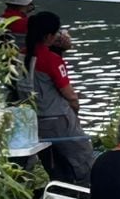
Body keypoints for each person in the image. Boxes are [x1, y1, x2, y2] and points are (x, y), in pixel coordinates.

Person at [25, 11, 94, 185]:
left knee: (54, 165)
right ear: (48, 36)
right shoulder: (51, 60)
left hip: (33, 121)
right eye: (56, 33)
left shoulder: (21, 55)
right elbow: (70, 95)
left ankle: (60, 193)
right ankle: (87, 194)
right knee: (84, 159)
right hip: (58, 119)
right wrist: (75, 112)